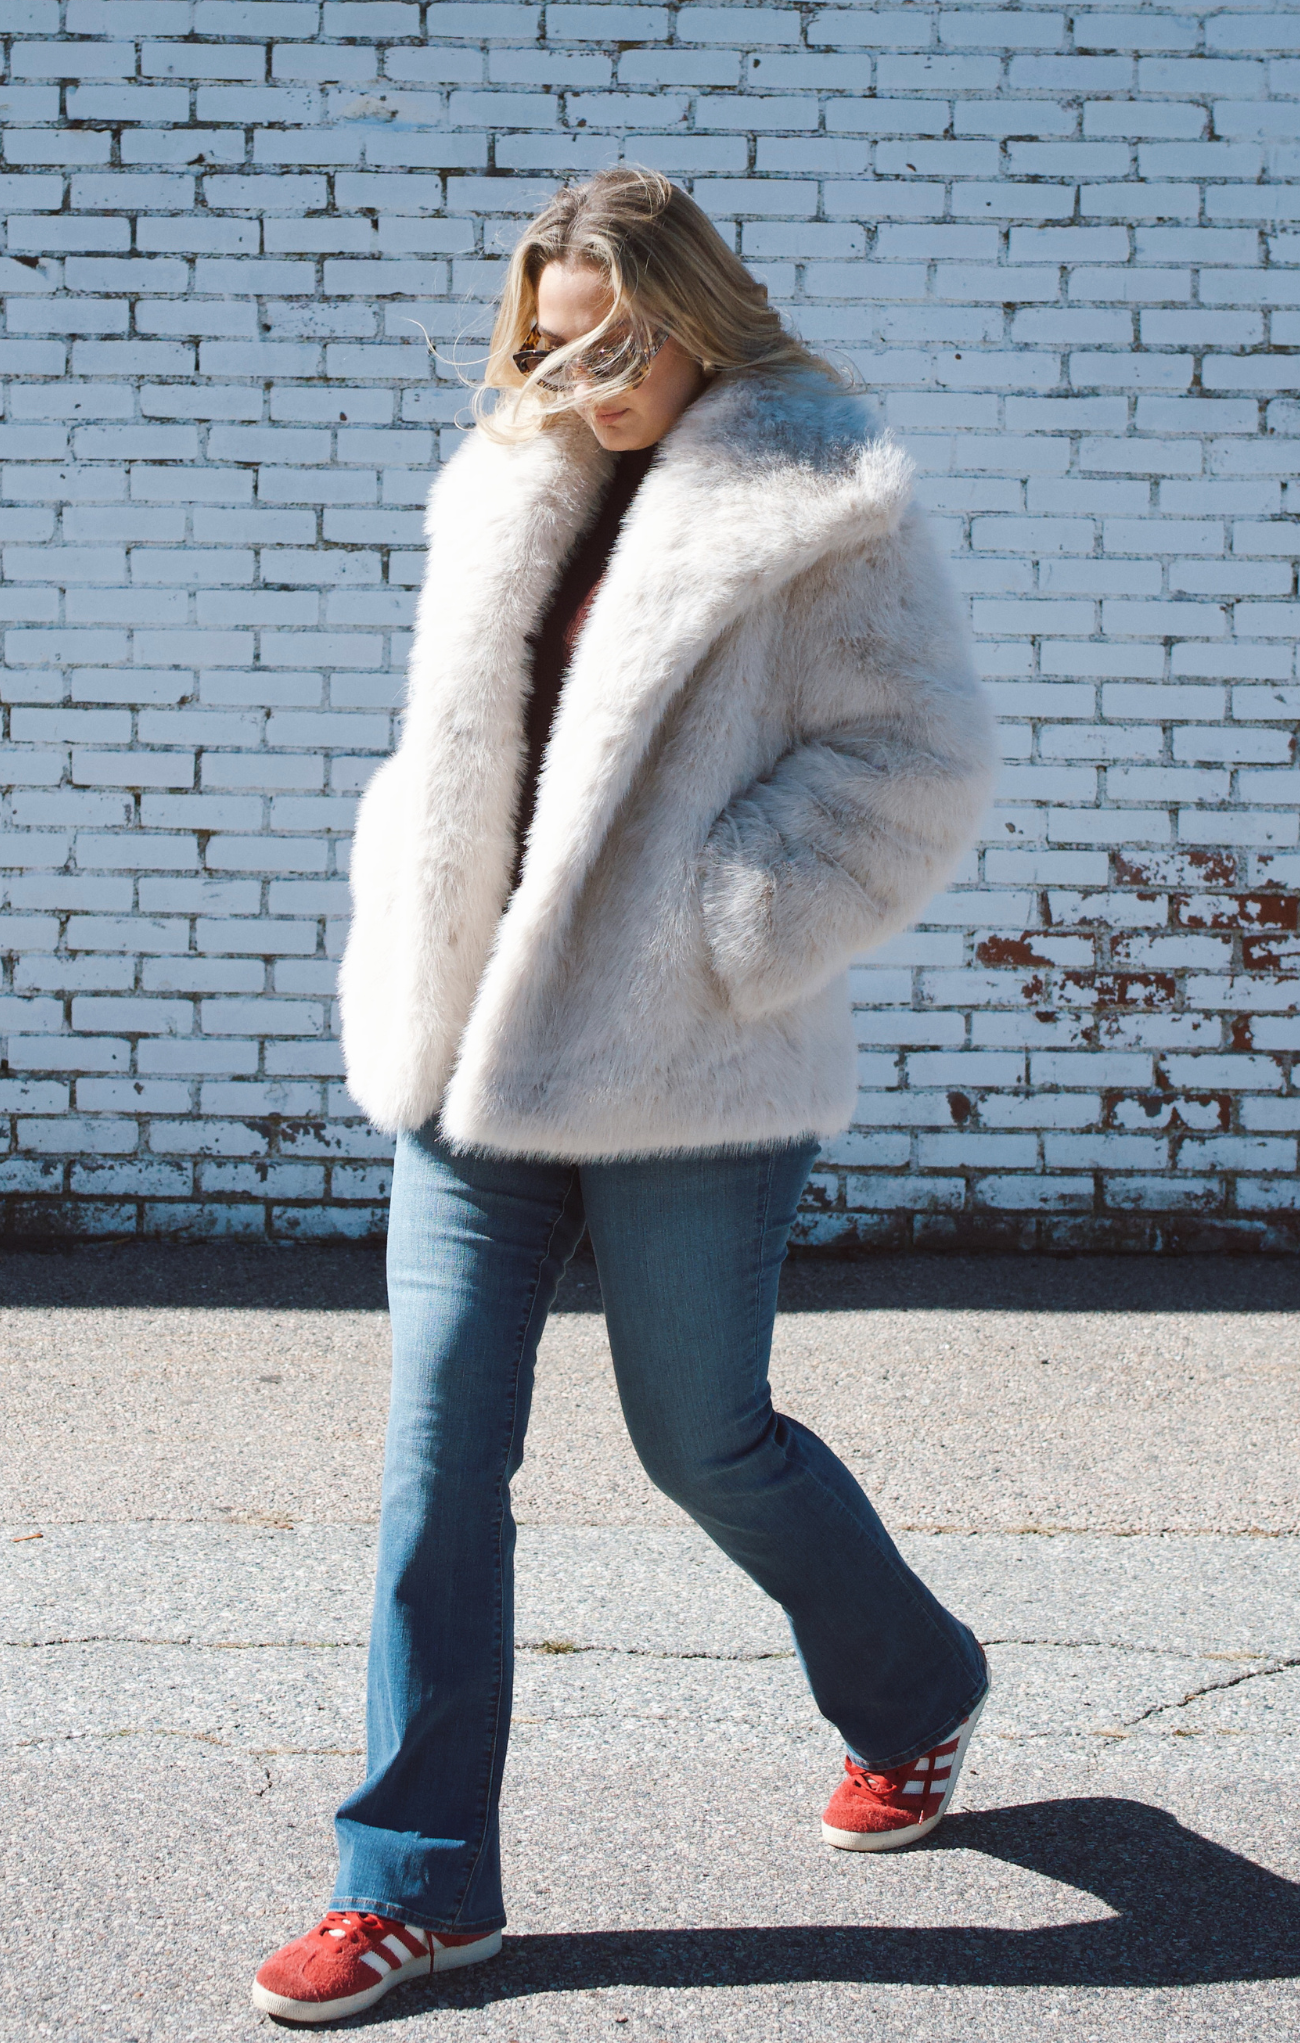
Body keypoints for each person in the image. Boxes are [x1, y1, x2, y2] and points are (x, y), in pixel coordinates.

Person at [252, 166, 998, 2026]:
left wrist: (723, 925)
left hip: (692, 1063)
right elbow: (455, 740)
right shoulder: (505, 474)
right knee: (440, 1459)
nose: (568, 371)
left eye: (606, 337)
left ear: (689, 317)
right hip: (474, 1050)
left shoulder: (820, 496)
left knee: (704, 1439)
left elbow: (919, 757)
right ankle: (413, 1886)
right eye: (543, 335)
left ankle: (914, 1693)